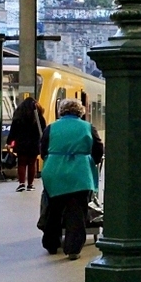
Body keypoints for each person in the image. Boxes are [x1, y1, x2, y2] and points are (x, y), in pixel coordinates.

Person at [39, 98, 103, 260]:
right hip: (80, 172)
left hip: (54, 170)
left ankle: (51, 244)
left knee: (53, 209)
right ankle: (73, 248)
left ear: (61, 111)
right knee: (76, 211)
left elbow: (43, 150)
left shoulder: (51, 128)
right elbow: (98, 149)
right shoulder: (88, 127)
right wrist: (89, 162)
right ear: (80, 112)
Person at [7, 96, 43, 191]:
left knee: (21, 164)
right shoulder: (38, 117)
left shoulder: (18, 116)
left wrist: (9, 142)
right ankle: (30, 185)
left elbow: (13, 131)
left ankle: (21, 183)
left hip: (21, 143)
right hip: (34, 143)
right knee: (32, 164)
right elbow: (43, 129)